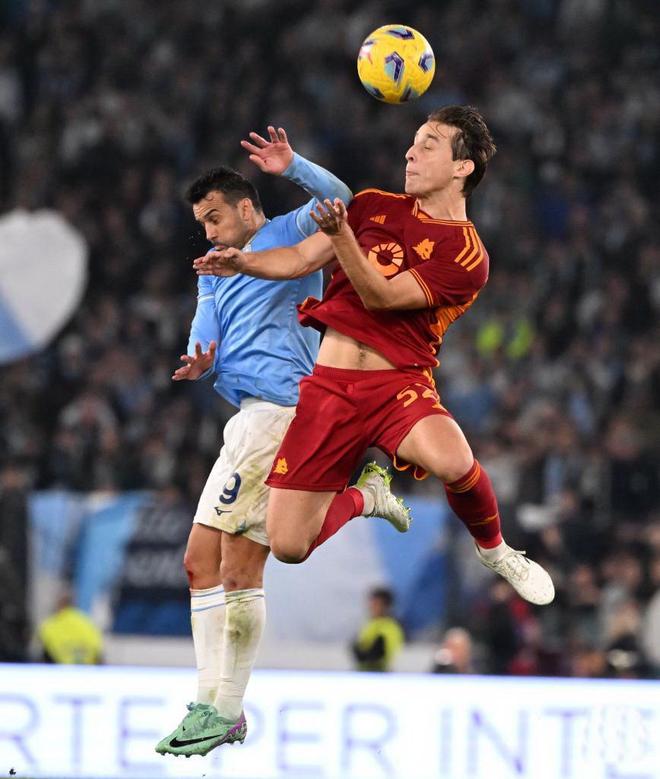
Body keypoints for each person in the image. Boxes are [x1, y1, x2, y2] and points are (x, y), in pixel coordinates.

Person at [194, 105, 555, 608]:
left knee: (454, 461)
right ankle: (368, 496)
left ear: (462, 166)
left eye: (428, 144)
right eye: (413, 142)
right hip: (328, 387)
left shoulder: (467, 255)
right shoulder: (371, 207)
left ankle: (495, 550)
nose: (410, 152)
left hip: (396, 385)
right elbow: (298, 259)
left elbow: (381, 297)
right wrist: (243, 262)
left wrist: (343, 238)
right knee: (289, 545)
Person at [156, 127, 409, 759]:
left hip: (279, 414)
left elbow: (340, 201)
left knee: (225, 564)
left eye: (215, 218)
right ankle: (217, 704)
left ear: (246, 208)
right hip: (246, 420)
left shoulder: (286, 234)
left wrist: (292, 165)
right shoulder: (215, 272)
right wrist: (198, 360)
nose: (209, 233)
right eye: (201, 224)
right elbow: (205, 331)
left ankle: (221, 705)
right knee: (209, 564)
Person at [37, 588, 103, 665]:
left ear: (58, 604)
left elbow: (42, 648)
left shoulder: (50, 624)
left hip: (60, 668)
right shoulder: (87, 622)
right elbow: (98, 651)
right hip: (87, 668)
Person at [351, 587, 404, 672]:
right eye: (372, 603)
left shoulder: (390, 626)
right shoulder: (369, 624)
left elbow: (377, 654)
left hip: (380, 672)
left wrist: (362, 651)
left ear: (386, 606)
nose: (372, 607)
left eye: (376, 604)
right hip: (363, 671)